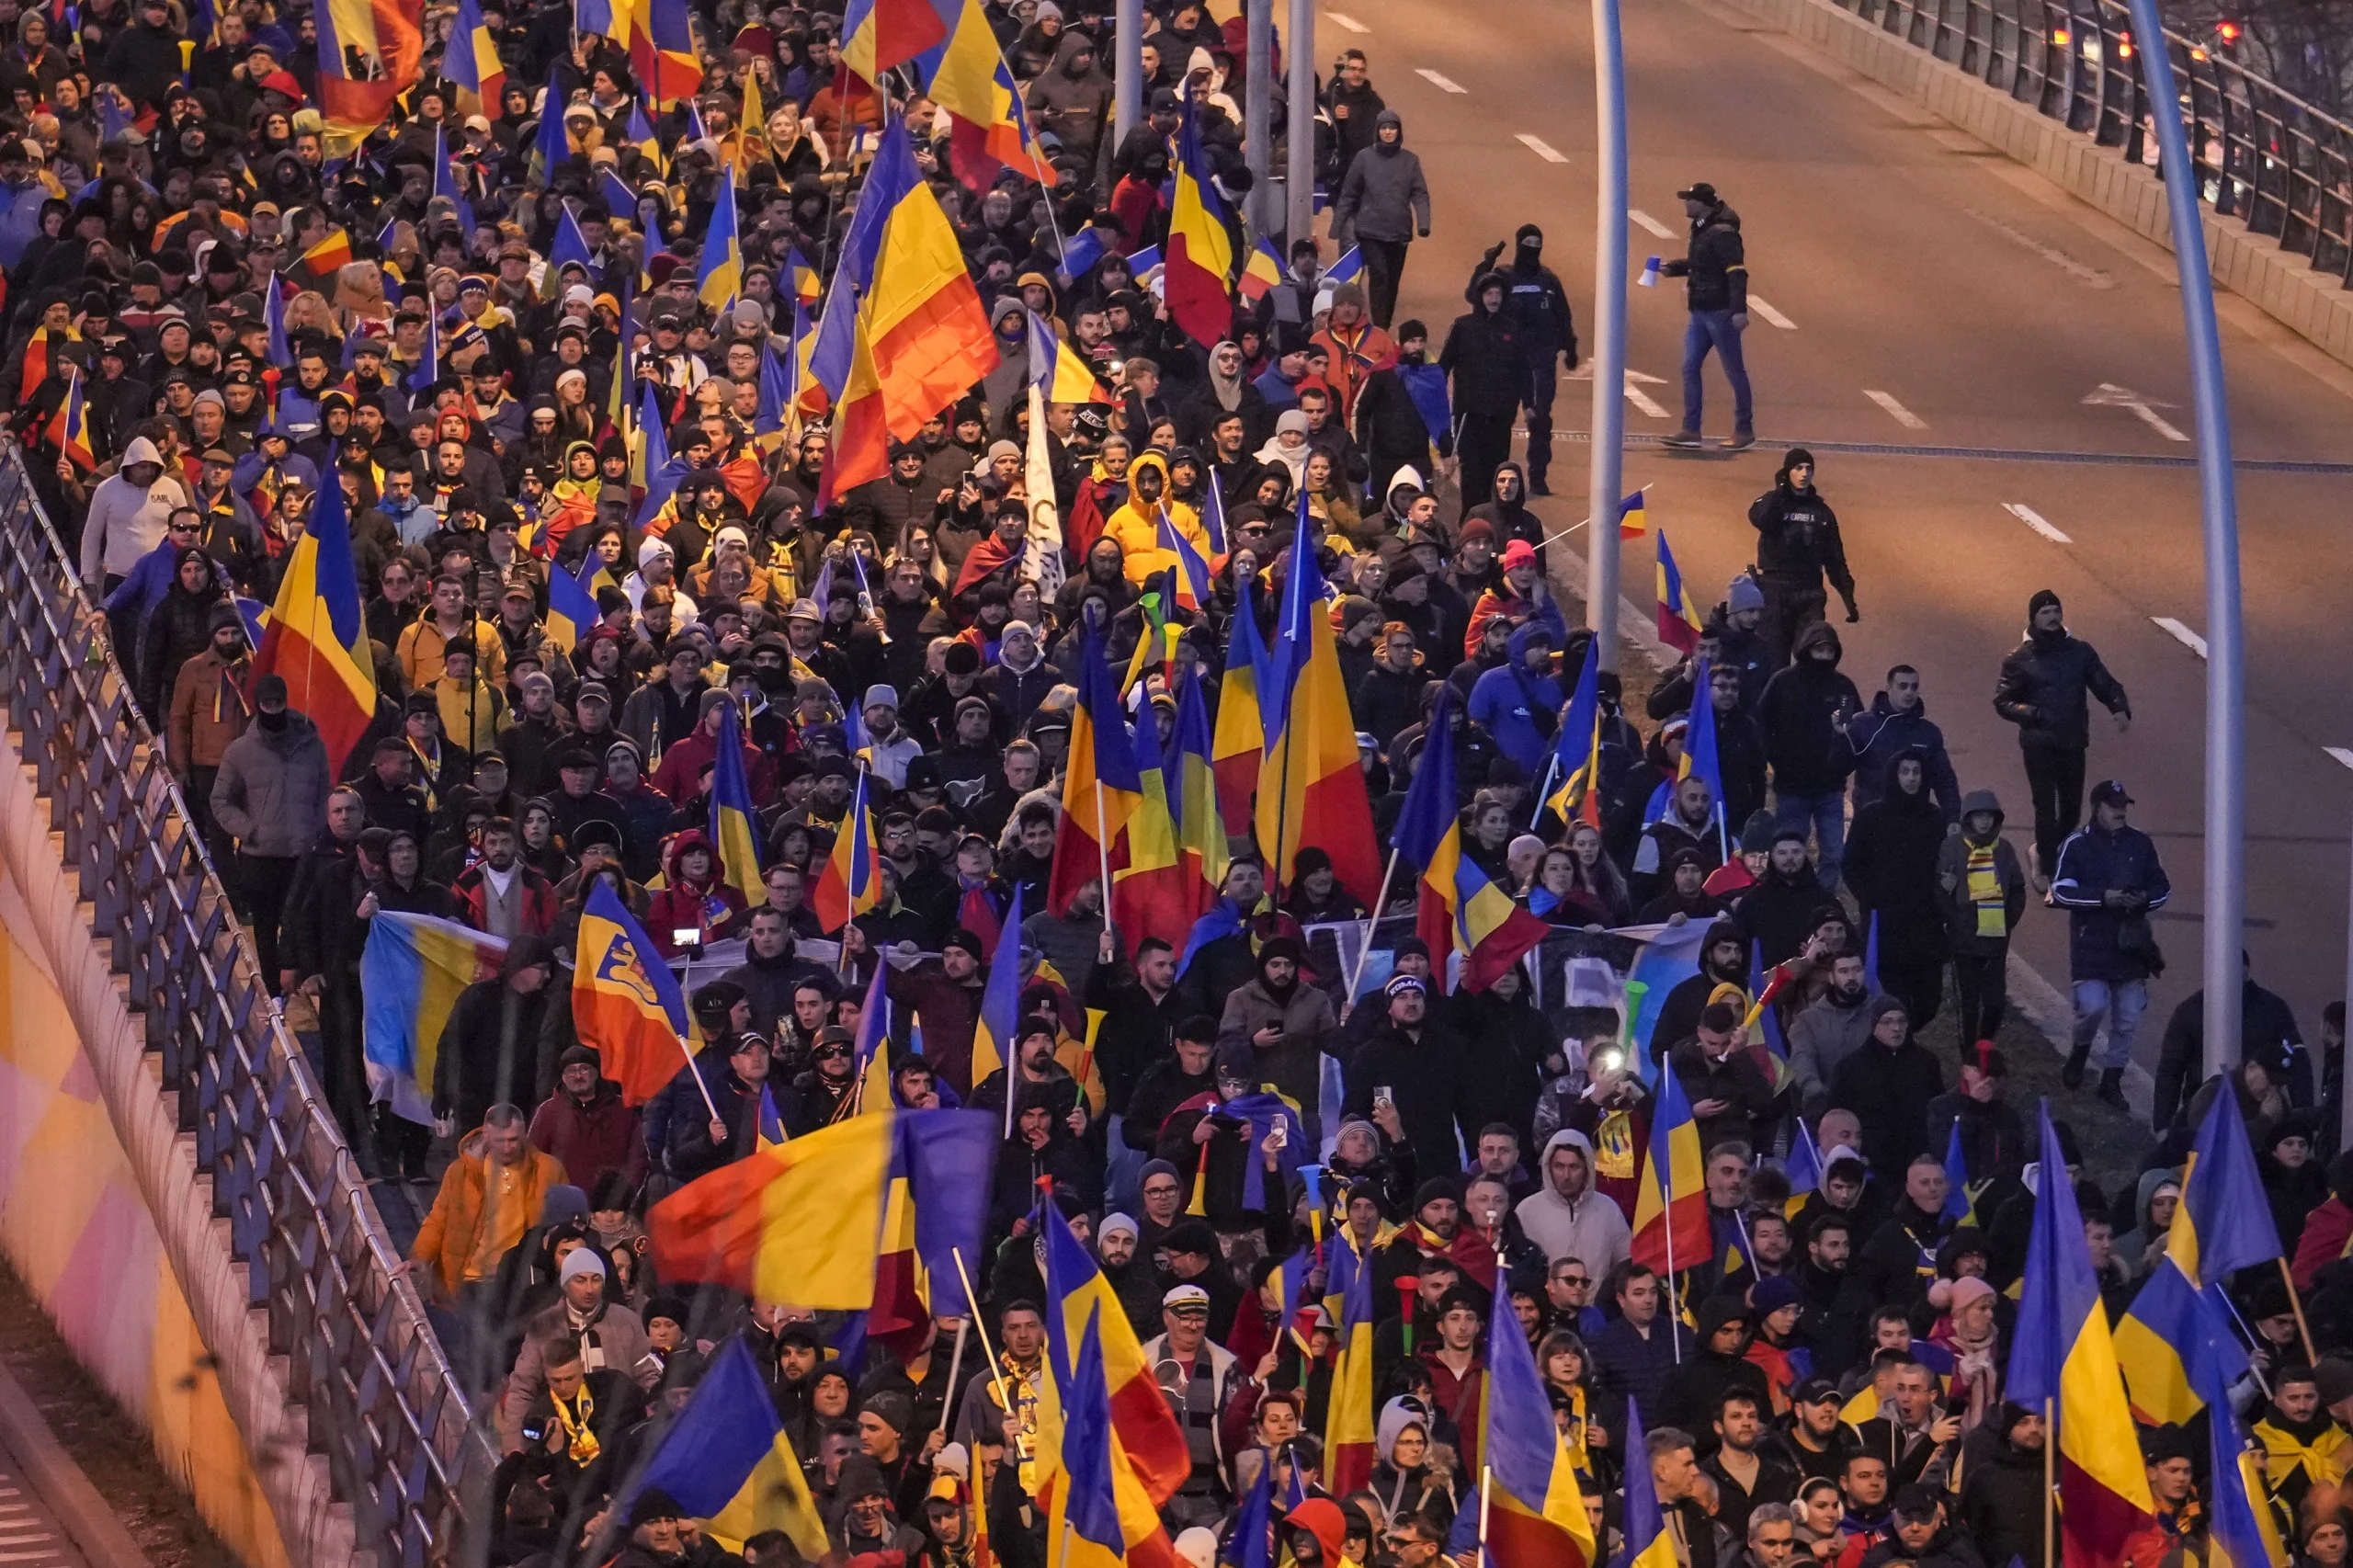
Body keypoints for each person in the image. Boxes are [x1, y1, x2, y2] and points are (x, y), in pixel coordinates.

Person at [1993, 589, 2131, 890]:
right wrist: (2034, 714)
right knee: (2044, 806)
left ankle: (2047, 853)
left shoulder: (2080, 652)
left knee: (2070, 808)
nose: (2052, 617)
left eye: (2055, 610)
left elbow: (2103, 682)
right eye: (2045, 612)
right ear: (2033, 618)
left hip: (2072, 741)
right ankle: (2047, 866)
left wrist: (2118, 706)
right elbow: (2003, 701)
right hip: (2038, 744)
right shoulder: (2019, 659)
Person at [2052, 779, 2170, 1108]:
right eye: (2113, 805)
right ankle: (2079, 1053)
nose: (2120, 811)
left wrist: (2143, 898)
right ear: (2096, 808)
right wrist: (2104, 899)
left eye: (2123, 805)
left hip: (2131, 947)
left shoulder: (2140, 843)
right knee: (2092, 1006)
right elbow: (2061, 892)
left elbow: (2162, 887)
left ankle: (2112, 1081)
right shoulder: (2076, 845)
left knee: (2128, 1018)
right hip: (2092, 946)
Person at [1659, 182, 1753, 450]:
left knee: (1734, 371)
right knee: (1689, 367)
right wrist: (1674, 269)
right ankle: (1691, 430)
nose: (1685, 204)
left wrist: (1738, 310)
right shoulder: (1702, 228)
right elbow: (1702, 265)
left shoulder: (1722, 233)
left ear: (1701, 203)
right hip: (1700, 310)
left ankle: (1744, 430)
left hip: (1720, 312)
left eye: (1689, 200)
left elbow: (1736, 272)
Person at [1746, 449, 1856, 667]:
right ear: (1788, 472)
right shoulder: (1771, 502)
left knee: (1812, 656)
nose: (1804, 473)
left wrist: (1847, 596)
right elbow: (1762, 520)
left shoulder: (1821, 511)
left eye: (1809, 468)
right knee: (1774, 660)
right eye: (1798, 468)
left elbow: (1835, 557)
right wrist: (1780, 492)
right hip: (1775, 591)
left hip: (1809, 592)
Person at [1332, 108, 1429, 330]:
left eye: (1392, 128)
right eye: (1384, 128)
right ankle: (1380, 327)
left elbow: (1419, 193)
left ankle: (1383, 323)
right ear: (1377, 131)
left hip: (1399, 233)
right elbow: (1349, 192)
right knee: (1380, 276)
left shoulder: (1410, 161)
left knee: (1392, 282)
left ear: (1398, 131)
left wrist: (1423, 223)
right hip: (1370, 231)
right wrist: (1337, 225)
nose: (1388, 132)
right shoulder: (1364, 158)